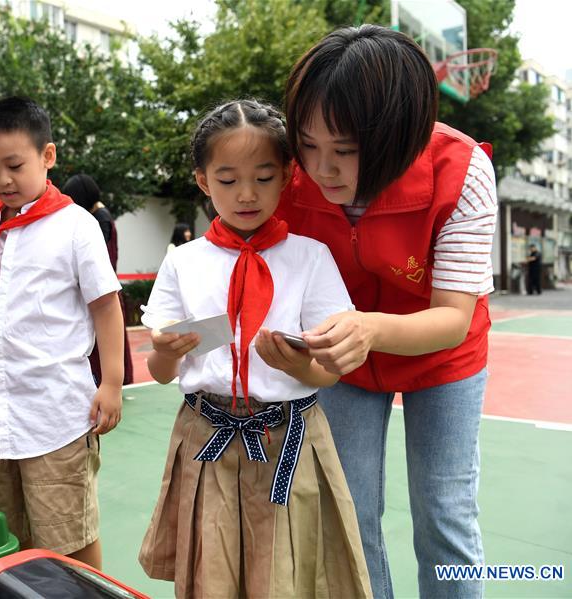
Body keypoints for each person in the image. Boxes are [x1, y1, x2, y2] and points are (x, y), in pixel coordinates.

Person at [275, 25, 498, 599]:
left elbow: (452, 318)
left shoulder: (464, 171)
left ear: (400, 137)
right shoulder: (289, 171)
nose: (321, 170)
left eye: (345, 151)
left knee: (444, 512)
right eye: (308, 145)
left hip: (443, 357)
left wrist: (368, 329)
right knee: (347, 513)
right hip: (342, 359)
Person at [138, 99, 371, 598]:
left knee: (286, 577)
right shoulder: (184, 263)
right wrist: (168, 350)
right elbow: (160, 371)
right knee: (213, 578)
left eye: (263, 177)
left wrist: (302, 367)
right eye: (227, 180)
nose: (246, 194)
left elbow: (330, 372)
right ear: (203, 181)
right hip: (206, 435)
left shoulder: (310, 258)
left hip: (290, 436)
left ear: (287, 174)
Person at [0, 96, 124, 569]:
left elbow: (106, 306)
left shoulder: (75, 226)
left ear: (47, 156)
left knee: (70, 534)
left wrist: (112, 383)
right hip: (1, 416)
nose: (3, 179)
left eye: (14, 165)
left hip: (56, 415)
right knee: (15, 535)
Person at [62, 173, 134, 386]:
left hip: (100, 291)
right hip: (103, 290)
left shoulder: (97, 220)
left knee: (101, 345)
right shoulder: (102, 216)